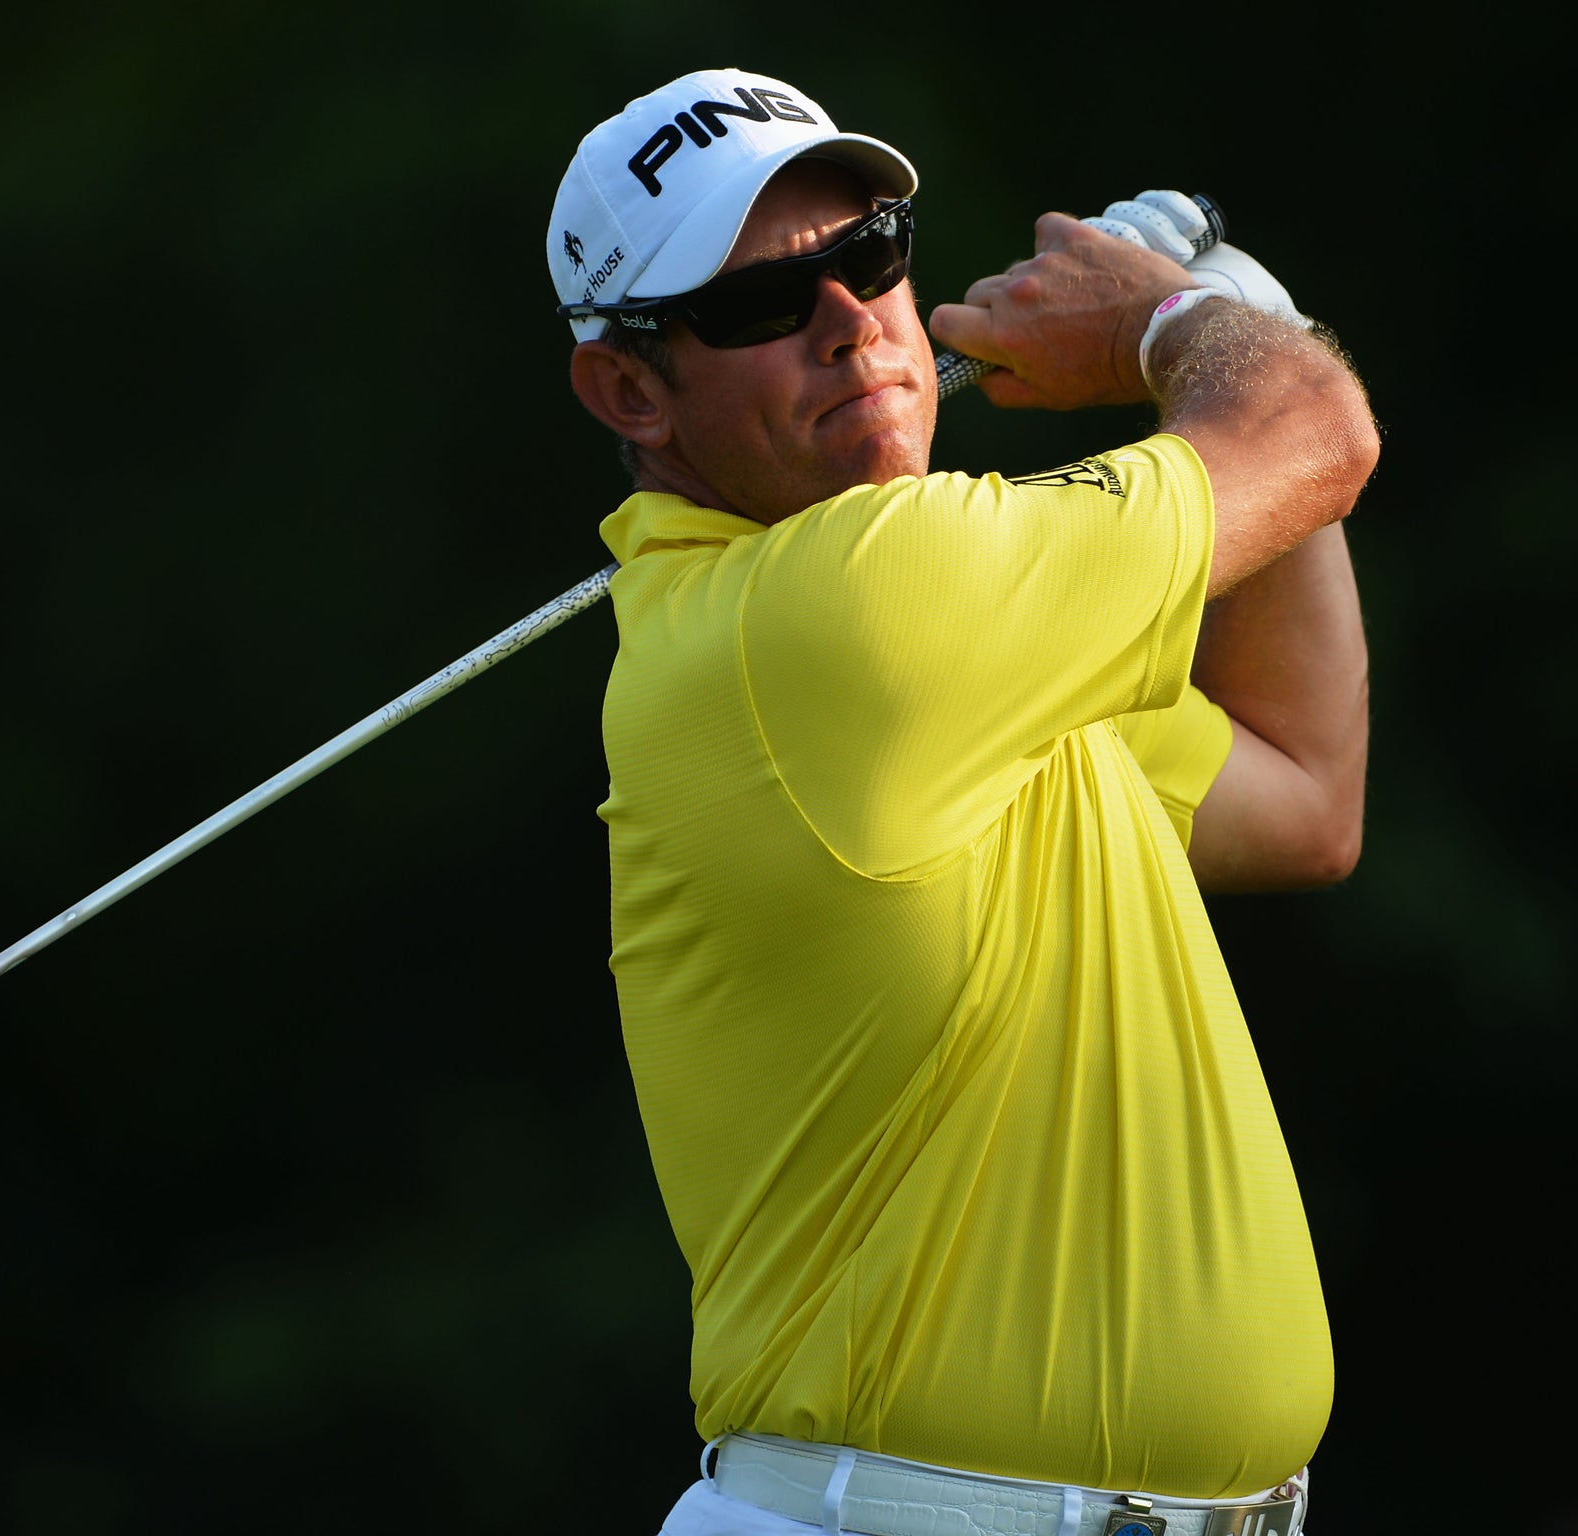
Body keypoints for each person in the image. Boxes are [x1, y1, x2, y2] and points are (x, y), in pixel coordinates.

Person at [546, 67, 1378, 1536]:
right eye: (756, 304)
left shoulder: (953, 647)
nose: (850, 322)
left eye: (870, 251)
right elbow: (1317, 433)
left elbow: (1304, 797)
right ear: (630, 389)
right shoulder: (846, 611)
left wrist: (1221, 323)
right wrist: (1185, 328)